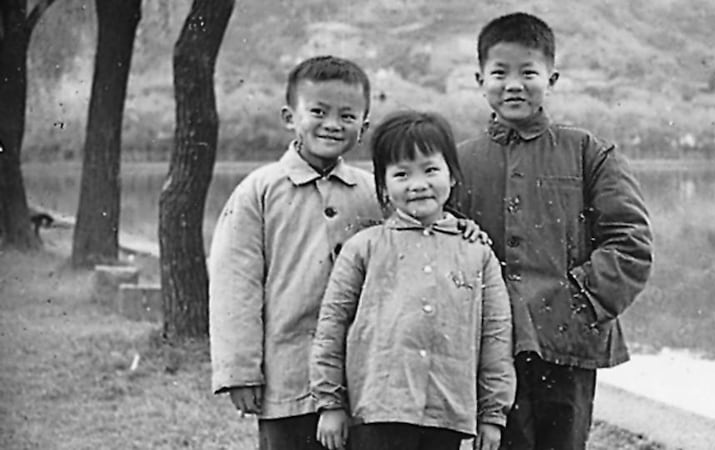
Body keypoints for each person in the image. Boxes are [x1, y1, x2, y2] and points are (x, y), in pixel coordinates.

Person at [209, 56, 485, 450]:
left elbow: (419, 229)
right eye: (318, 112)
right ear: (289, 117)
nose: (332, 124)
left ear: (364, 127)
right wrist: (239, 371)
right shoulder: (259, 190)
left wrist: (460, 229)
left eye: (347, 115)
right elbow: (235, 287)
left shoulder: (375, 190)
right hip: (287, 375)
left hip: (362, 378)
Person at [454, 12, 654, 450]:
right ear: (480, 80)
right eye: (499, 74)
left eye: (528, 73)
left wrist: (579, 298)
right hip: (489, 344)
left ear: (552, 78)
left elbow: (631, 242)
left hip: (569, 340)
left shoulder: (588, 151)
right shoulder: (458, 162)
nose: (513, 85)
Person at [309, 111, 516, 450]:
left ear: (452, 176)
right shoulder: (364, 248)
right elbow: (331, 327)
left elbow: (496, 336)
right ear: (383, 186)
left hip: (447, 413)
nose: (418, 184)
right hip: (376, 411)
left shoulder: (478, 252)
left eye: (430, 170)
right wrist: (330, 403)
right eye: (402, 174)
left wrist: (492, 414)